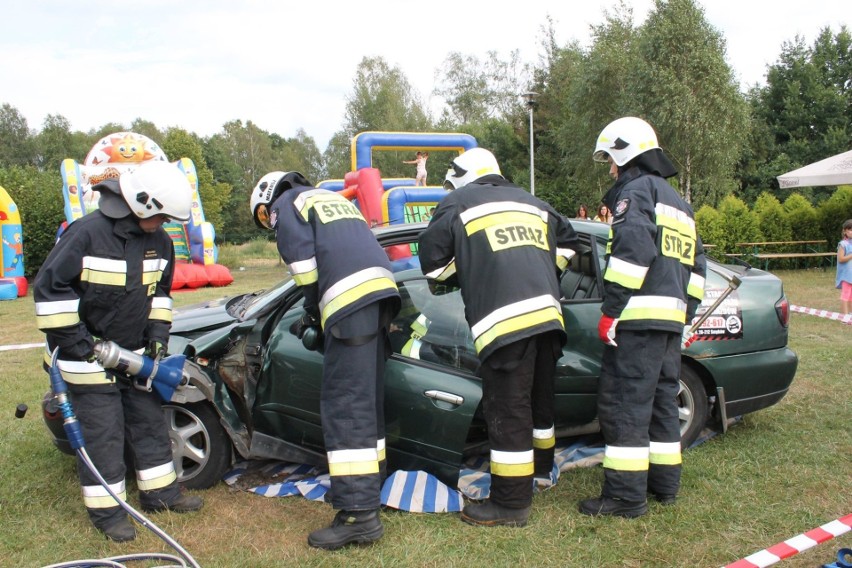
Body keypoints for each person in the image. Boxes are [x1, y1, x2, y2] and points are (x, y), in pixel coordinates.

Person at [33, 161, 203, 543]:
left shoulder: (160, 243)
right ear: (141, 204)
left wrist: (158, 335)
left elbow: (160, 294)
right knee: (103, 433)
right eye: (159, 216)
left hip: (134, 354)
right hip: (83, 358)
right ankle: (108, 513)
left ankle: (161, 492)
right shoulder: (86, 235)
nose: (163, 223)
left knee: (148, 422)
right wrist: (80, 344)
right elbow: (49, 290)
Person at [418, 148, 579, 527]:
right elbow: (570, 245)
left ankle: (510, 503)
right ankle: (540, 468)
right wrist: (538, 268)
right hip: (548, 318)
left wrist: (476, 266)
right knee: (539, 402)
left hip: (505, 324)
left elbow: (435, 265)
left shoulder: (457, 202)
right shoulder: (533, 202)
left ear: (459, 176)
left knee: (508, 410)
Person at [250, 171, 400, 550]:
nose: (270, 225)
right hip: (380, 297)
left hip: (350, 303)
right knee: (365, 401)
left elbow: (304, 270)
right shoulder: (327, 198)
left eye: (264, 218)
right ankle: (370, 485)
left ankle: (357, 516)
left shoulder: (287, 205)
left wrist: (313, 314)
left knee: (345, 407)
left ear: (268, 201)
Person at [579, 116, 706, 518]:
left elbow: (632, 255)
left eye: (611, 161)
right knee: (662, 405)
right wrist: (684, 316)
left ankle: (624, 497)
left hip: (636, 322)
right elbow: (698, 268)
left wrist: (611, 310)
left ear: (624, 153)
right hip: (669, 326)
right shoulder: (680, 205)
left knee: (625, 406)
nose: (611, 171)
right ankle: (664, 486)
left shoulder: (635, 193)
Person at [836, 219, 852, 314]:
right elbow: (841, 259)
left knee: (851, 296)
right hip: (846, 275)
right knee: (845, 295)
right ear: (845, 231)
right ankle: (844, 316)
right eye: (850, 229)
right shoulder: (843, 244)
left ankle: (850, 314)